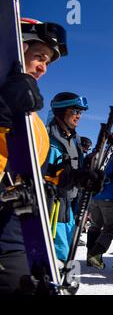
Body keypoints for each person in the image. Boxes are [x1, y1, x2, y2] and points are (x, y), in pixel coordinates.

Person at [0, 18, 68, 294]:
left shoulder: (33, 118)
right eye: (39, 57)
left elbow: (37, 167)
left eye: (47, 63)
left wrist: (69, 177)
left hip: (22, 223)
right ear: (18, 49)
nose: (43, 68)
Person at [44, 92, 90, 260]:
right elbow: (45, 176)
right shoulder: (48, 139)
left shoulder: (73, 139)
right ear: (61, 112)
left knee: (67, 250)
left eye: (80, 112)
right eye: (74, 111)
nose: (78, 116)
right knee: (58, 254)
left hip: (69, 204)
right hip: (52, 206)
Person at [86, 152, 113, 269]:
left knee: (94, 226)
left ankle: (90, 258)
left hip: (95, 196)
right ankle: (94, 255)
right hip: (109, 196)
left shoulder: (97, 153)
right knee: (110, 228)